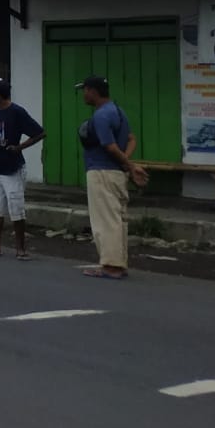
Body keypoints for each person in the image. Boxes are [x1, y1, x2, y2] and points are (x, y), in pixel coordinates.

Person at [78, 75, 149, 279]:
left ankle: (111, 266)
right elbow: (131, 139)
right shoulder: (118, 111)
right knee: (118, 220)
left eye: (86, 90)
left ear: (93, 91)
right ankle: (119, 263)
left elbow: (109, 146)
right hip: (116, 174)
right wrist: (126, 163)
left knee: (105, 221)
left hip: (102, 172)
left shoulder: (101, 115)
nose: (84, 94)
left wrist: (129, 164)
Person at [0, 78, 45, 259]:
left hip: (12, 167)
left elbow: (39, 133)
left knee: (16, 208)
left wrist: (19, 147)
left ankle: (21, 248)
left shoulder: (16, 112)